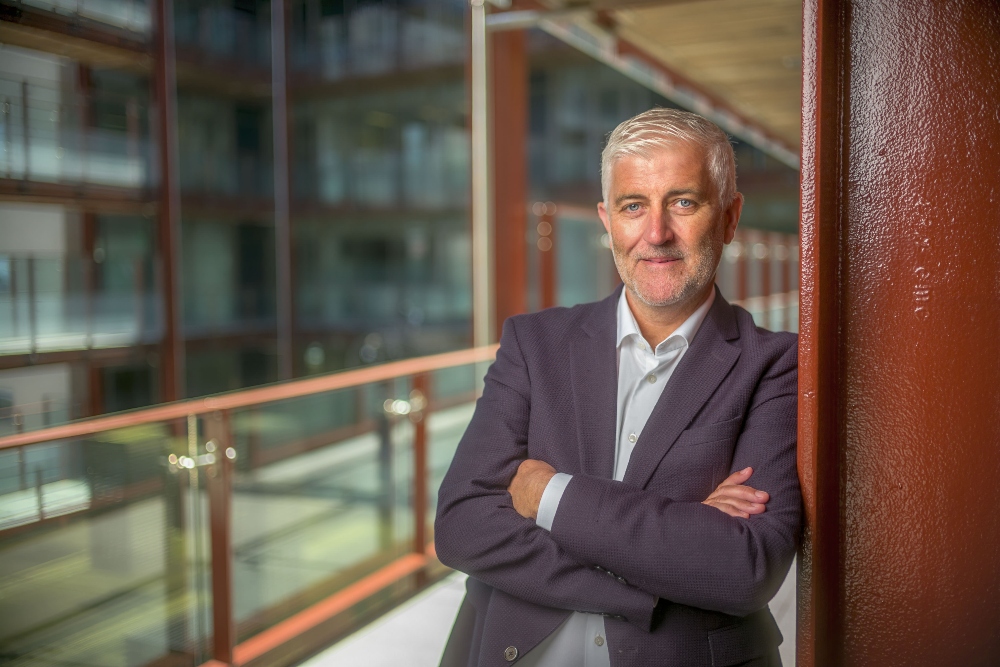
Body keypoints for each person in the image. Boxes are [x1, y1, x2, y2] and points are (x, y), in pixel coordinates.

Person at [435, 108, 800, 667]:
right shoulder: (534, 344)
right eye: (634, 206)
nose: (656, 234)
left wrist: (548, 494)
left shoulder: (774, 364)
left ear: (729, 218)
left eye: (683, 202)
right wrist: (663, 564)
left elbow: (745, 568)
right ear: (608, 220)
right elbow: (461, 526)